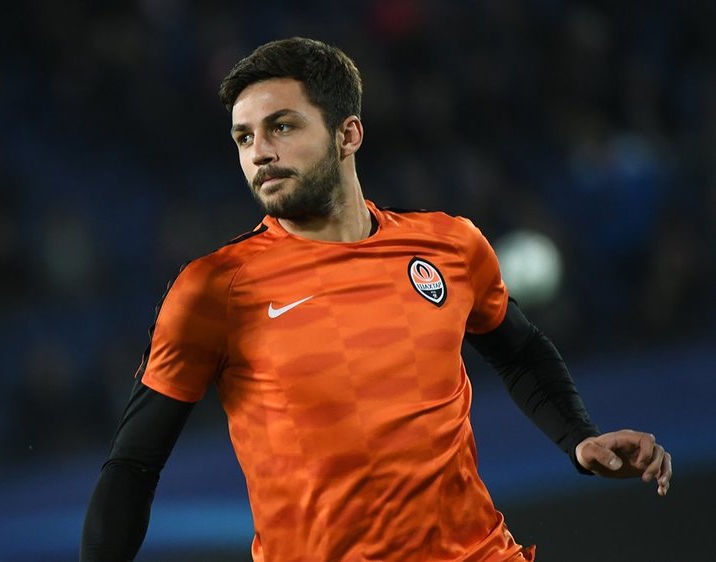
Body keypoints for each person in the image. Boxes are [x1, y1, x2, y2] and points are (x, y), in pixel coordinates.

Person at [80, 37, 673, 562]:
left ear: (348, 134)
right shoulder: (215, 288)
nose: (259, 152)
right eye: (244, 137)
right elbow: (133, 464)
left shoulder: (449, 245)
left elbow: (519, 350)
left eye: (282, 126)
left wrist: (578, 438)